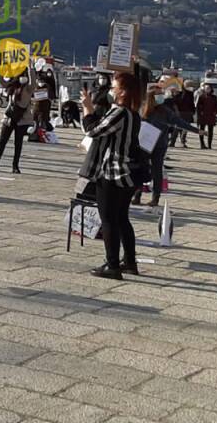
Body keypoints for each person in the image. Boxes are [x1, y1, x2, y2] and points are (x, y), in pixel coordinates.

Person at [79, 71, 142, 280]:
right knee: (122, 217)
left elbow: (93, 130)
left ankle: (113, 264)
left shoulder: (120, 112)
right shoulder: (133, 113)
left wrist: (87, 109)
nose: (110, 91)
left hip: (113, 172)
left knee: (108, 219)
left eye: (114, 87)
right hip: (128, 174)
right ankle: (129, 261)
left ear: (122, 91)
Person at [136, 87, 198, 207]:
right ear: (151, 96)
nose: (161, 97)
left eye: (162, 94)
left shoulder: (165, 110)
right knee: (140, 169)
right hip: (144, 144)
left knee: (157, 171)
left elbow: (179, 121)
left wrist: (196, 130)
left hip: (160, 145)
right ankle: (137, 195)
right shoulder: (142, 108)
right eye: (159, 94)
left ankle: (155, 198)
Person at [0, 73, 34, 173]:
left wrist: (31, 68)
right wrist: (2, 69)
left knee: (18, 143)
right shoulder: (12, 86)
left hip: (22, 119)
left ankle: (15, 166)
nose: (22, 78)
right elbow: (1, 80)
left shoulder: (28, 88)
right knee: (2, 141)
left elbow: (33, 80)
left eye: (24, 75)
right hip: (9, 117)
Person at [195, 84, 217, 149]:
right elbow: (198, 106)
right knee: (202, 130)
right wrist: (200, 113)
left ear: (211, 89)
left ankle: (209, 145)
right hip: (203, 116)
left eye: (209, 88)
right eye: (206, 88)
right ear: (204, 89)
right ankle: (202, 144)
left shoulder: (214, 97)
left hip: (211, 116)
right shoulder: (201, 96)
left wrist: (215, 112)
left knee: (210, 131)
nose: (207, 89)